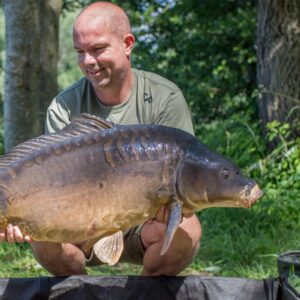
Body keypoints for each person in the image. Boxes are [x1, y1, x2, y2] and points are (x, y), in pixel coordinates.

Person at [0, 1, 201, 276]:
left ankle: (145, 295)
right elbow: (50, 184)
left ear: (127, 44)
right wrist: (22, 219)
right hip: (80, 227)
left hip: (145, 225)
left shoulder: (164, 98)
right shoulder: (64, 107)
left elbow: (186, 181)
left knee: (187, 229)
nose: (87, 62)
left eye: (97, 50)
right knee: (43, 241)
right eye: (80, 52)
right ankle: (81, 293)